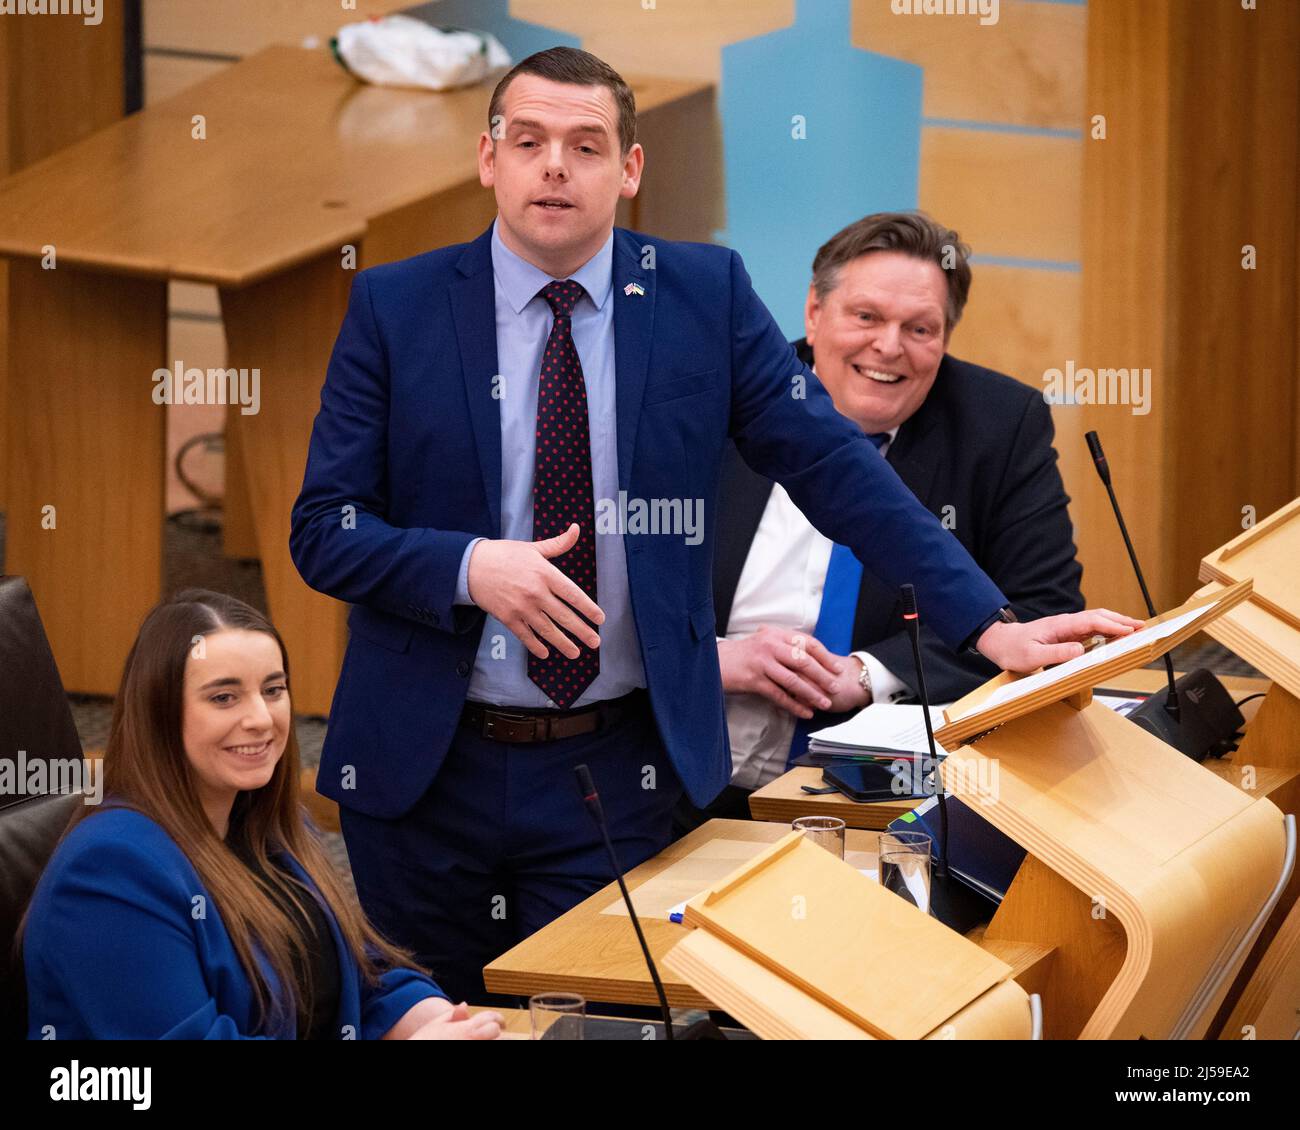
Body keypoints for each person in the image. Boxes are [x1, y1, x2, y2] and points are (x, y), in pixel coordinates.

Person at [290, 46, 1140, 1003]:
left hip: (614, 766)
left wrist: (989, 624)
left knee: (598, 1019)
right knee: (424, 1020)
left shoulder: (702, 296)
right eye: (528, 141)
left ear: (631, 169)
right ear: (490, 159)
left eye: (586, 144)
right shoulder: (397, 306)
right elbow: (326, 528)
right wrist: (470, 568)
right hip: (426, 767)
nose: (555, 166)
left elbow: (834, 467)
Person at [687, 211, 1086, 825]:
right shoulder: (721, 399)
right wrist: (710, 657)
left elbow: (1038, 612)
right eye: (866, 317)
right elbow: (614, 578)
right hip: (682, 786)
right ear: (814, 314)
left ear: (946, 339)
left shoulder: (999, 427)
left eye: (919, 328)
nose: (889, 347)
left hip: (885, 800)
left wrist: (871, 674)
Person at [21, 589, 501, 1040]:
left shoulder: (265, 825)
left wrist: (439, 1022)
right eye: (223, 697)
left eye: (273, 690)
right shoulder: (111, 873)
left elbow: (365, 977)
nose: (260, 718)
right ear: (160, 713)